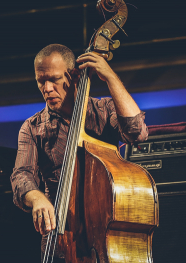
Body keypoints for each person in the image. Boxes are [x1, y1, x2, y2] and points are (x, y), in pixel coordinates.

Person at [10, 44, 148, 261]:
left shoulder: (103, 111)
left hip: (105, 236)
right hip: (60, 240)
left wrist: (110, 76)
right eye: (40, 81)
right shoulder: (32, 127)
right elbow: (21, 174)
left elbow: (136, 133)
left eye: (53, 79)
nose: (46, 88)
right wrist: (36, 198)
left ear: (73, 75)